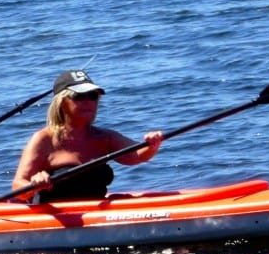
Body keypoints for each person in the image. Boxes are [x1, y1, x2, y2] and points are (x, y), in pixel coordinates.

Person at [12, 69, 163, 203]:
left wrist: (151, 145)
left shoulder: (105, 137)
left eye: (92, 95)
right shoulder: (44, 139)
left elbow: (136, 155)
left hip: (95, 213)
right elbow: (18, 186)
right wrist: (34, 184)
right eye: (79, 96)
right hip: (54, 219)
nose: (88, 101)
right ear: (62, 102)